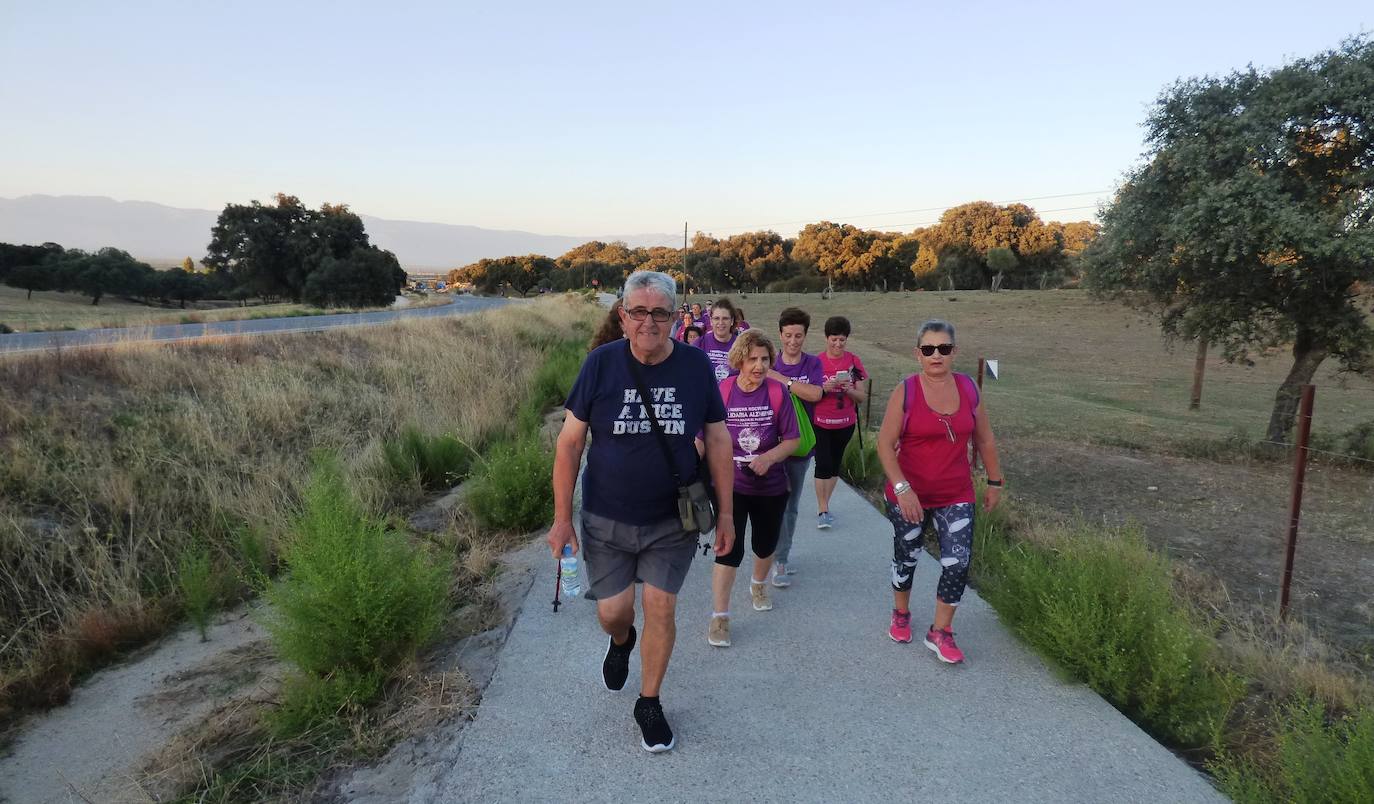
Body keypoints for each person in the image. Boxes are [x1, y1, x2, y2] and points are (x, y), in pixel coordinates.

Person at [549, 271, 736, 753]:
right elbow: (570, 443)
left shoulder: (696, 367)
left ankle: (649, 701)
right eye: (639, 312)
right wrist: (562, 518)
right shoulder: (600, 365)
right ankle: (620, 641)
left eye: (659, 313)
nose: (649, 322)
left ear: (675, 317)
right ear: (623, 316)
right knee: (614, 613)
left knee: (662, 607)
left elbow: (717, 439)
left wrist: (729, 513)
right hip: (606, 517)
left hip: (672, 519)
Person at [875, 319, 1003, 665]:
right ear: (918, 354)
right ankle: (901, 613)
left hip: (956, 493)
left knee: (957, 562)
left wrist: (995, 480)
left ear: (954, 352)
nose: (936, 355)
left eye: (944, 349)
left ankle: (941, 632)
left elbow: (984, 438)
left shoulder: (968, 390)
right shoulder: (906, 391)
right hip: (908, 492)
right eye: (929, 349)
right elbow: (885, 446)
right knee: (908, 556)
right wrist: (903, 490)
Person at [705, 330, 799, 647]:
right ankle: (720, 618)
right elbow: (706, 435)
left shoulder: (776, 392)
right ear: (739, 360)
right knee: (728, 549)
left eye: (764, 359)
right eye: (752, 359)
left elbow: (793, 439)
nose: (759, 366)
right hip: (731, 485)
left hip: (770, 485)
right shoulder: (724, 390)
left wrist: (769, 458)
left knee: (764, 544)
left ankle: (758, 583)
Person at [766, 307, 825, 585]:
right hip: (769, 444)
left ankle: (781, 559)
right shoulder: (768, 361)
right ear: (780, 334)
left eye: (798, 335)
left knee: (790, 504)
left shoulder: (812, 364)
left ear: (805, 335)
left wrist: (783, 380)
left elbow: (815, 393)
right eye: (788, 335)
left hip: (800, 446)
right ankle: (766, 552)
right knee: (767, 502)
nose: (793, 341)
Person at [812, 316, 867, 529]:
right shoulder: (816, 362)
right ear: (826, 338)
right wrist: (825, 387)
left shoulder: (854, 362)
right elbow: (811, 394)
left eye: (842, 340)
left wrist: (848, 389)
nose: (837, 344)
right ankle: (822, 508)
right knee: (822, 464)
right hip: (820, 422)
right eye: (834, 339)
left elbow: (861, 397)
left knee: (834, 465)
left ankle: (827, 503)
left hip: (845, 423)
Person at [697, 297, 740, 382]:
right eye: (716, 318)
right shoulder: (700, 343)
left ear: (732, 321)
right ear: (711, 321)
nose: (720, 323)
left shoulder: (741, 345)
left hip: (731, 393)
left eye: (725, 318)